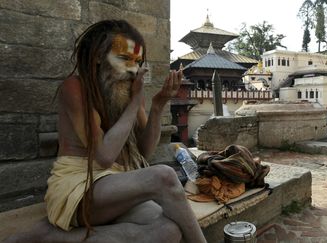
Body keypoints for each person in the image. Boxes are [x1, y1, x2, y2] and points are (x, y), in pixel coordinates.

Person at [5, 20, 206, 243]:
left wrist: (158, 105)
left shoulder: (129, 93)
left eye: (137, 62)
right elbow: (103, 157)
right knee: (165, 175)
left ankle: (52, 236)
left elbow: (145, 151)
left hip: (116, 189)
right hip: (79, 189)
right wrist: (136, 100)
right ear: (98, 57)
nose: (132, 69)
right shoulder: (75, 87)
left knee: (170, 231)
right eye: (124, 59)